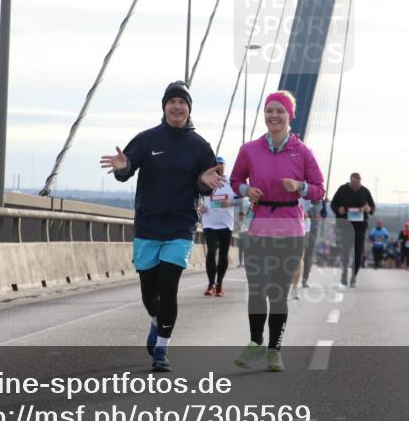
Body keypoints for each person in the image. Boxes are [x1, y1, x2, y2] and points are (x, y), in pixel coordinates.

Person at [100, 81, 223, 372]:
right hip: (148, 224)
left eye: (183, 102)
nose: (177, 106)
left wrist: (205, 184)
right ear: (165, 106)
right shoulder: (147, 139)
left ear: (189, 108)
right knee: (148, 292)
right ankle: (156, 322)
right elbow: (126, 167)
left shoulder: (200, 146)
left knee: (168, 289)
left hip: (181, 226)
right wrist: (122, 167)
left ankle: (162, 349)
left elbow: (207, 182)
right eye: (172, 102)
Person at [230, 91, 324, 372]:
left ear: (290, 116)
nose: (274, 115)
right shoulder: (249, 149)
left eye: (280, 111)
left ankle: (275, 350)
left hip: (290, 229)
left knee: (278, 293)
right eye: (270, 110)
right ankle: (256, 343)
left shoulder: (303, 152)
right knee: (257, 288)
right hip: (258, 227)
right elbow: (235, 180)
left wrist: (300, 187)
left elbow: (319, 190)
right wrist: (247, 189)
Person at [199, 156, 237, 297]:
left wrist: (231, 203)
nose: (219, 167)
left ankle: (219, 284)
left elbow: (244, 201)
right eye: (216, 164)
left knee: (223, 255)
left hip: (226, 224)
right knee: (211, 251)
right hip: (209, 223)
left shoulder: (231, 183)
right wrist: (199, 207)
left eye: (221, 164)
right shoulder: (205, 181)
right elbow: (196, 197)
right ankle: (211, 284)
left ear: (225, 166)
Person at [330, 172, 375, 287]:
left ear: (360, 182)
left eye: (357, 183)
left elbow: (372, 208)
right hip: (345, 226)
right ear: (350, 181)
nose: (355, 186)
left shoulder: (365, 191)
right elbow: (333, 204)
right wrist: (338, 209)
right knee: (345, 251)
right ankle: (344, 272)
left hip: (360, 227)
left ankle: (354, 277)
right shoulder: (342, 189)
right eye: (353, 183)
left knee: (358, 253)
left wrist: (368, 209)